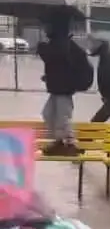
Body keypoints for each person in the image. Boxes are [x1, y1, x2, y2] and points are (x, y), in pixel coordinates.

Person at [37, 24, 93, 156]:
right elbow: (57, 65)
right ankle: (59, 142)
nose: (45, 30)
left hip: (63, 90)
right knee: (48, 114)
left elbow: (54, 59)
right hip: (57, 88)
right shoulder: (60, 43)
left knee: (63, 117)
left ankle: (69, 144)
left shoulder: (63, 45)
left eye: (47, 27)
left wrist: (41, 47)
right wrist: (49, 77)